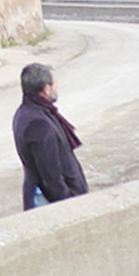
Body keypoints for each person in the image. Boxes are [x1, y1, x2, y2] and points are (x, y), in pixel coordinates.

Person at [12, 62, 88, 210]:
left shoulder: (28, 112)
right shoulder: (38, 123)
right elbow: (50, 174)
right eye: (55, 83)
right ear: (46, 89)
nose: (57, 87)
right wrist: (68, 203)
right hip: (52, 203)